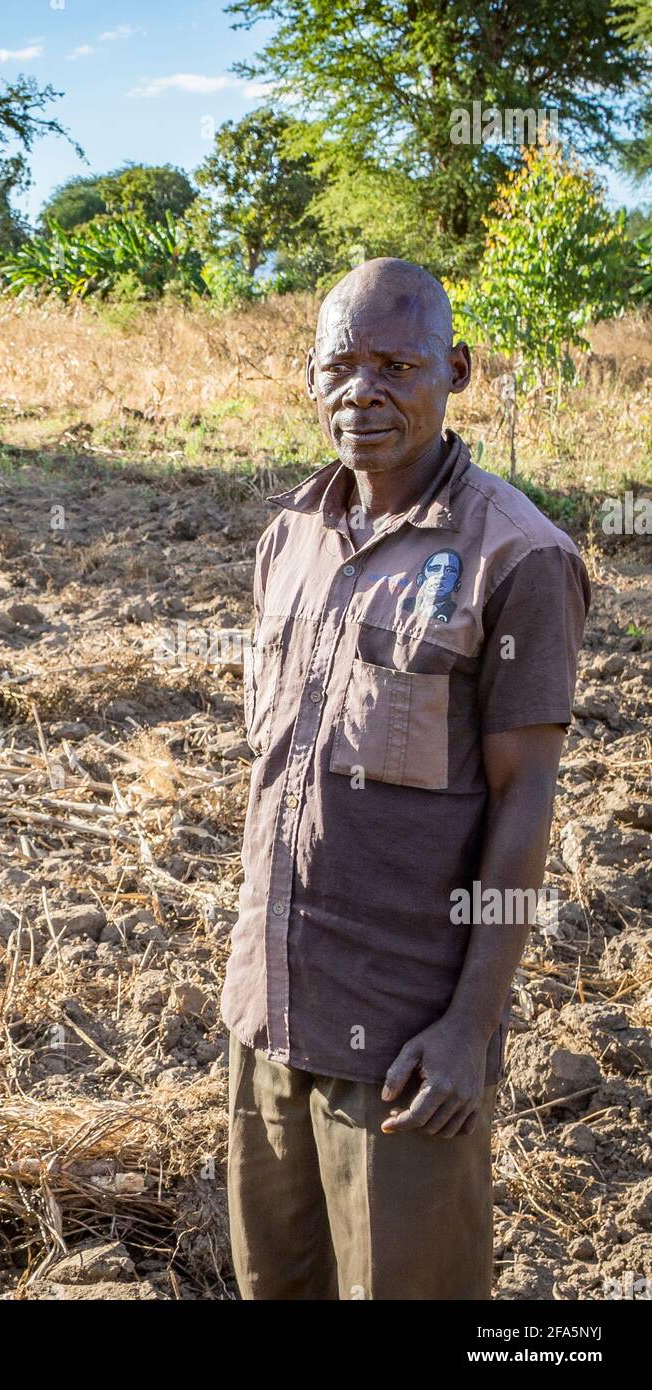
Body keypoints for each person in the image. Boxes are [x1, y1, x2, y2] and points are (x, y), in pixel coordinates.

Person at [221, 257, 590, 1300]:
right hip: (268, 1006)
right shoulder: (289, 538)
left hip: (403, 1042)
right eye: (342, 365)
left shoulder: (514, 557)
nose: (363, 392)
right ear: (308, 377)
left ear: (456, 371)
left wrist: (469, 1028)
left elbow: (525, 799)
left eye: (397, 364)